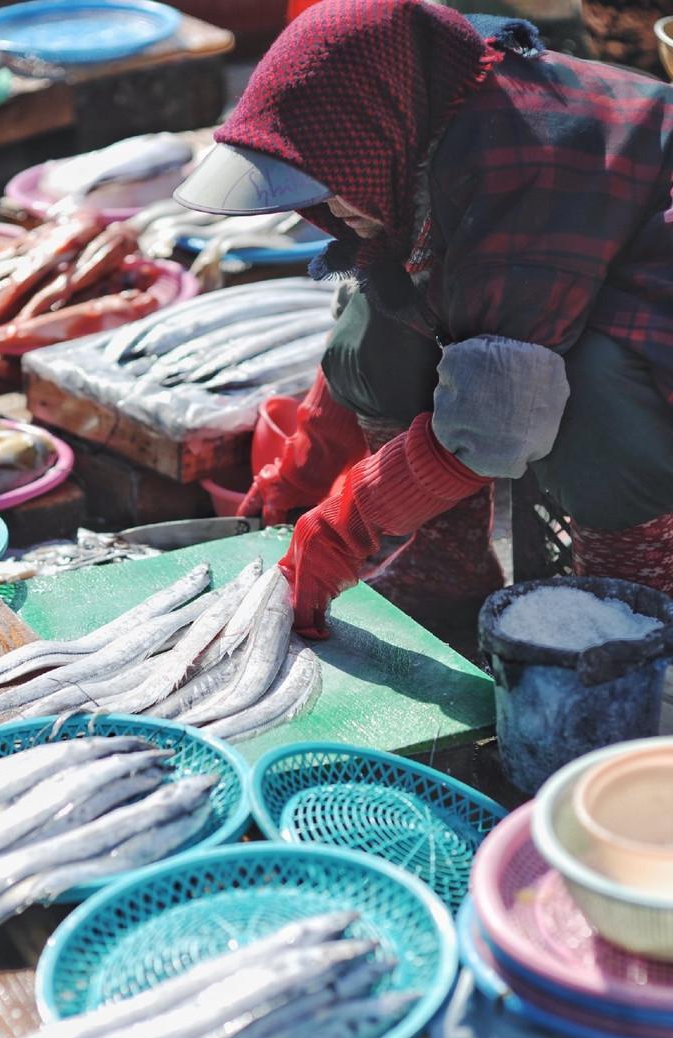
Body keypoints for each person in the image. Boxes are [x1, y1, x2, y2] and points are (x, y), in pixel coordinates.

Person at [175, 0, 673, 640]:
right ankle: (447, 561)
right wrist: (307, 463)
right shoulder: (424, 130)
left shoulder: (515, 159)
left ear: (377, 133)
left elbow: (498, 423)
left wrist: (347, 523)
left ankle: (635, 602)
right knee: (375, 317)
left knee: (592, 389)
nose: (328, 208)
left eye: (333, 180)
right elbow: (381, 324)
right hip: (587, 264)